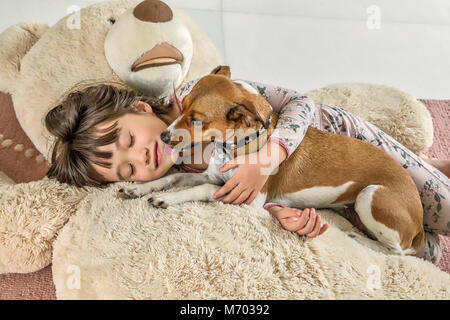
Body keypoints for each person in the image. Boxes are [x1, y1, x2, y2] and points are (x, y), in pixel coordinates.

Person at [45, 78, 450, 264]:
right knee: (423, 246)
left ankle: (428, 171)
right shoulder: (183, 163)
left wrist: (267, 158)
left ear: (140, 108)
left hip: (337, 138)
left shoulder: (202, 91)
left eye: (130, 142)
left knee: (439, 203)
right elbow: (255, 195)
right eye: (127, 171)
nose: (142, 159)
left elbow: (299, 102)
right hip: (330, 186)